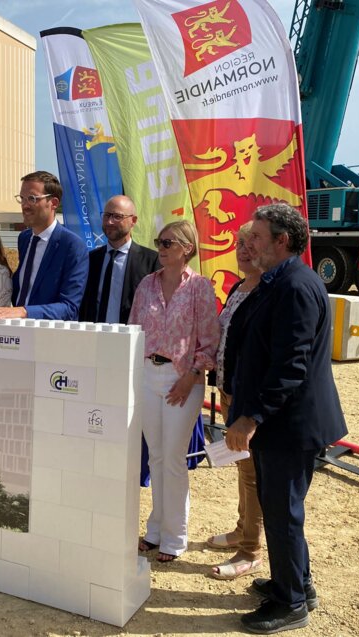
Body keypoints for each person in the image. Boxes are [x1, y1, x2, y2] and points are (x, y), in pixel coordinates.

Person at [225, 203, 348, 635]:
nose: (250, 243)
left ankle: (291, 603)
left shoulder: (295, 286)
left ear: (282, 241)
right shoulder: (277, 280)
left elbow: (290, 367)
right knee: (281, 510)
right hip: (279, 424)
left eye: (257, 237)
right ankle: (296, 584)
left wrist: (250, 418)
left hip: (289, 426)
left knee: (282, 514)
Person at [129, 220, 220, 563]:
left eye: (168, 243)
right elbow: (133, 329)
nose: (161, 248)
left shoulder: (200, 287)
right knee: (155, 455)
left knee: (173, 458)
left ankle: (175, 536)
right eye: (159, 242)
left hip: (182, 378)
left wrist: (191, 376)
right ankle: (155, 529)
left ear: (187, 248)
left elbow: (209, 341)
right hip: (146, 375)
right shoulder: (146, 285)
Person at [206, 222, 265, 581]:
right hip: (228, 394)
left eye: (251, 243)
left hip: (248, 401)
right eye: (239, 243)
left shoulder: (266, 292)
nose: (243, 250)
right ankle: (243, 530)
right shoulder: (238, 287)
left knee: (253, 475)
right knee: (243, 470)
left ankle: (251, 551)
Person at [0, 171, 88, 323]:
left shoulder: (72, 246)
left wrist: (24, 311)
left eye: (32, 198)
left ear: (54, 203)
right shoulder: (24, 239)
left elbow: (69, 308)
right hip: (17, 330)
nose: (25, 205)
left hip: (48, 333)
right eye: (22, 198)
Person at [79, 195, 159, 324]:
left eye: (117, 216)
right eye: (107, 216)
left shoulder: (151, 262)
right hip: (93, 334)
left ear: (133, 220)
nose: (110, 222)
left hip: (132, 334)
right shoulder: (90, 259)